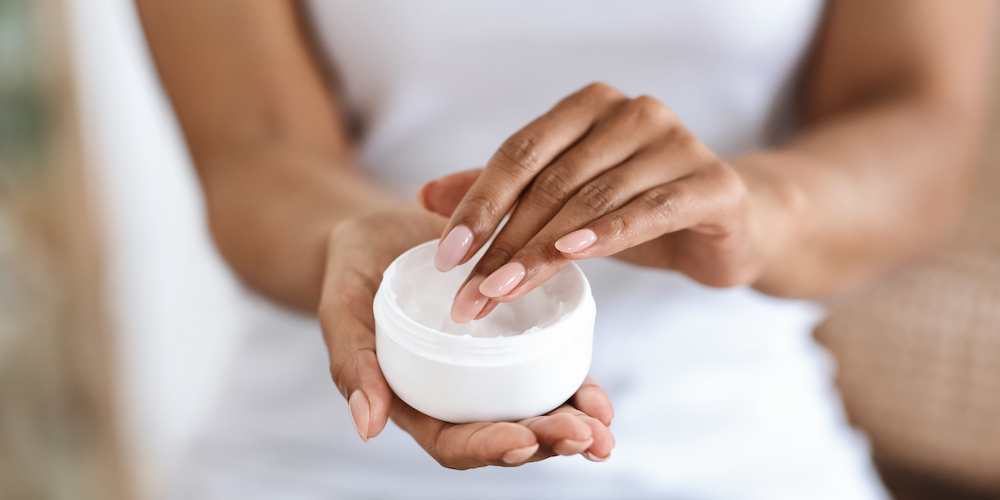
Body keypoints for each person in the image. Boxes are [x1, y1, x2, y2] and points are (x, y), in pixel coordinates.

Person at [137, 0, 997, 498]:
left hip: (738, 444)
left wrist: (762, 210)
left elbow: (922, 121)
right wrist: (351, 244)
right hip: (319, 452)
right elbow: (253, 153)